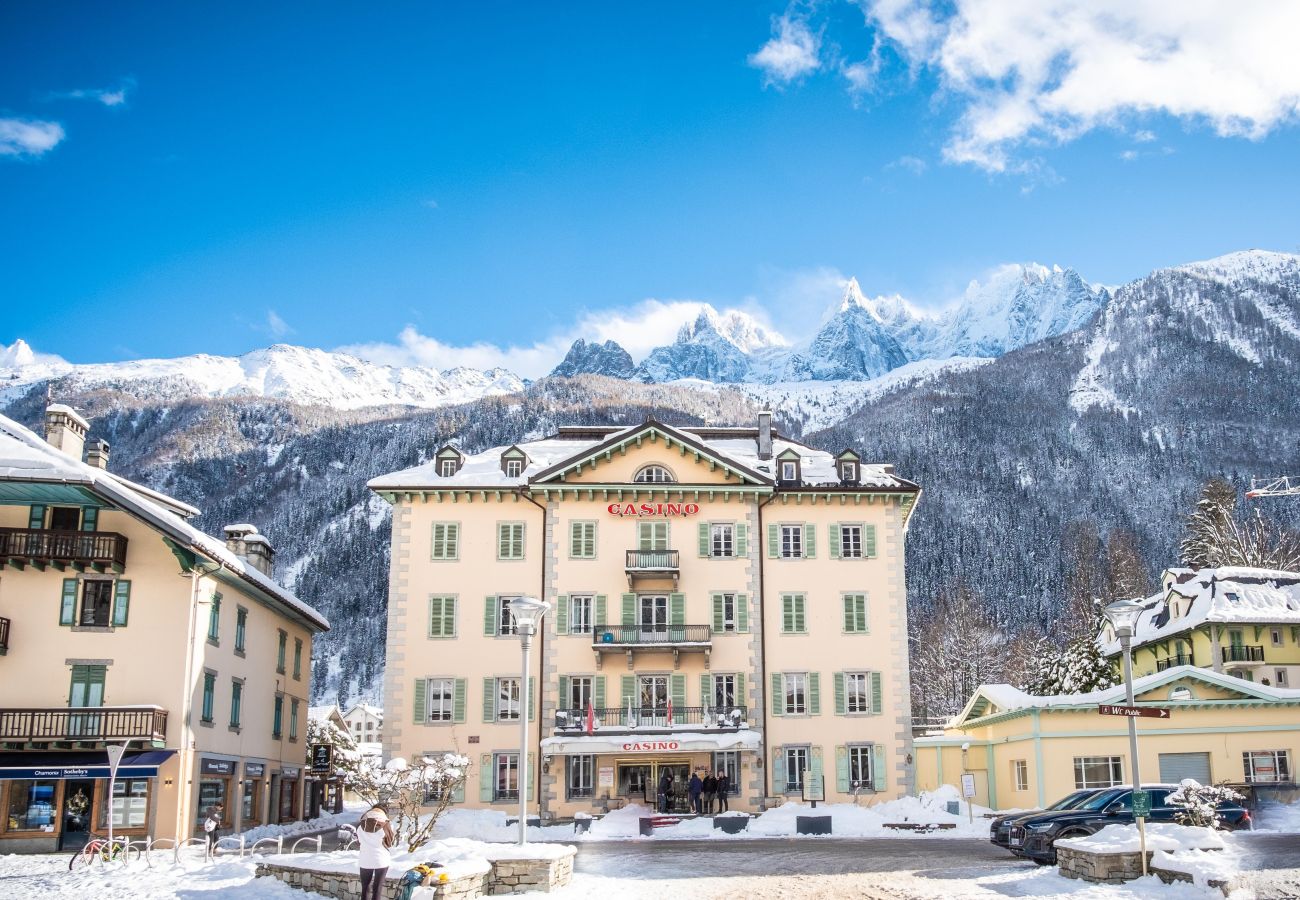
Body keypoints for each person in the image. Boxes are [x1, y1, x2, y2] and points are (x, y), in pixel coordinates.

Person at [357, 803, 396, 900]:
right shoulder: (385, 823)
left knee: (365, 888)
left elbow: (358, 840)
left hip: (365, 858)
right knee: (377, 888)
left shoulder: (362, 823)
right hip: (381, 858)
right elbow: (390, 842)